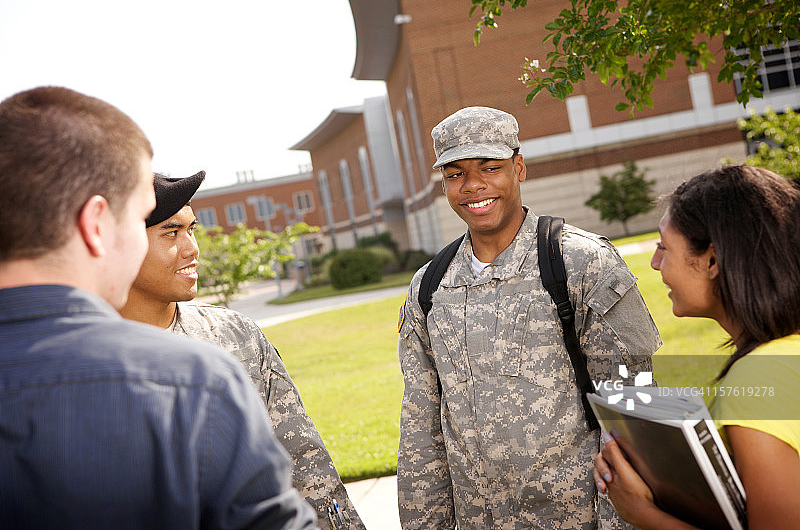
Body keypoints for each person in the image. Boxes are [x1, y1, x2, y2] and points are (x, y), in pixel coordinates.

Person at [0, 86, 317, 530]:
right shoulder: (191, 383)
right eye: (140, 217)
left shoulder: (227, 343)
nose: (191, 248)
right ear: (95, 225)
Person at [396, 106, 662, 528]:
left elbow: (632, 411)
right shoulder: (429, 288)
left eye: (490, 167)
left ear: (519, 168)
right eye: (455, 174)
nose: (473, 185)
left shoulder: (580, 262)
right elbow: (421, 423)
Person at [119, 170, 365, 530]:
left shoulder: (235, 333)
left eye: (192, 229)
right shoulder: (89, 363)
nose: (192, 248)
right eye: (171, 232)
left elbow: (302, 457)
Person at [593, 165, 800, 529]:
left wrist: (641, 512)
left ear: (713, 260)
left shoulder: (758, 380)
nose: (655, 263)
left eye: (663, 247)